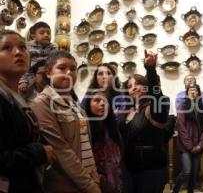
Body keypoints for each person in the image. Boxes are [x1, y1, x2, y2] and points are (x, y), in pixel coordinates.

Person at [31, 50, 101, 193]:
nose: (69, 72)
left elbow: (85, 145)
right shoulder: (42, 103)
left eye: (73, 69)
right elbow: (62, 151)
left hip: (86, 180)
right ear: (49, 73)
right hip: (64, 184)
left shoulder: (75, 104)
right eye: (62, 68)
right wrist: (91, 187)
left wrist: (94, 178)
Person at [0, 30, 55, 193]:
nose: (18, 53)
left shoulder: (15, 97)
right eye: (6, 48)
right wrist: (40, 152)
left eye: (23, 48)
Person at [119, 50, 169, 193]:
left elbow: (156, 95)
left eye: (138, 84)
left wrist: (151, 69)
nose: (133, 88)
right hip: (129, 169)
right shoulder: (126, 111)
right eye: (129, 86)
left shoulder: (155, 108)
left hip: (150, 171)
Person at [83, 90, 123, 193]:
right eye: (97, 100)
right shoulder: (84, 127)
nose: (102, 104)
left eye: (105, 101)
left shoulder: (113, 126)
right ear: (89, 104)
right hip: (93, 180)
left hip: (115, 178)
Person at [173, 84, 203, 193]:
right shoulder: (182, 107)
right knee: (187, 172)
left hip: (198, 145)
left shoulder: (202, 108)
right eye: (190, 90)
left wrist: (201, 144)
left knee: (194, 174)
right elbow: (181, 128)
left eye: (195, 90)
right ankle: (175, 190)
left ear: (198, 93)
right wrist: (190, 146)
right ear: (187, 93)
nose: (193, 92)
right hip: (185, 146)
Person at [18, 21, 56, 96]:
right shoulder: (28, 47)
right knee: (25, 95)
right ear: (33, 36)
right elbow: (23, 65)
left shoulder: (54, 48)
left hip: (47, 77)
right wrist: (23, 81)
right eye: (42, 33)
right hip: (30, 76)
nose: (46, 35)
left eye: (48, 33)